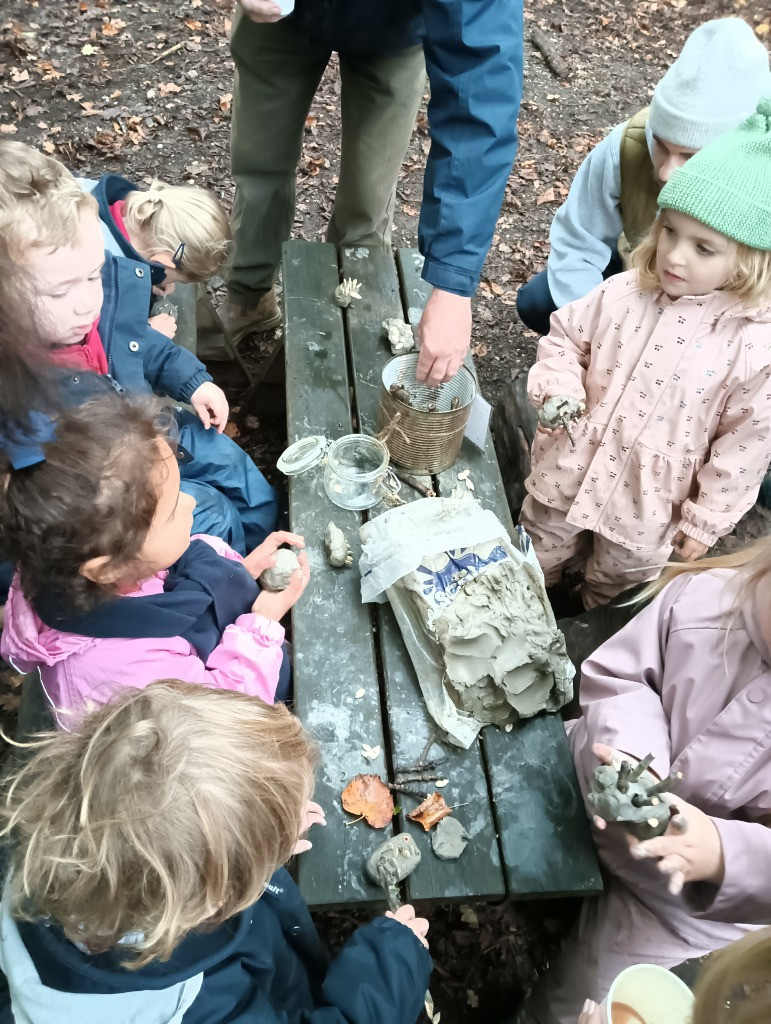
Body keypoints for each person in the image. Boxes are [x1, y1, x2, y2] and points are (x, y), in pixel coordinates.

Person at [0, 679, 432, 1023]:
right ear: (211, 901)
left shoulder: (54, 856)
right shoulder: (198, 1007)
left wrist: (257, 833)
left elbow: (170, 831)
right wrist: (390, 964)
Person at [519, 99, 771, 608]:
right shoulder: (625, 292)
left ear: (749, 261)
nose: (675, 255)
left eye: (704, 248)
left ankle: (588, 630)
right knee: (536, 550)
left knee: (618, 583)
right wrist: (559, 384)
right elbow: (567, 337)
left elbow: (745, 445)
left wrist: (706, 519)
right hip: (571, 461)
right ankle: (529, 604)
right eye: (670, 231)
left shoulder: (752, 347)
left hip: (648, 503)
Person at [518, 536, 771, 1024]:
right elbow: (625, 676)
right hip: (589, 782)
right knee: (502, 822)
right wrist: (636, 756)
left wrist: (723, 853)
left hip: (675, 903)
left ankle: (538, 1014)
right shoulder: (709, 599)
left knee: (589, 992)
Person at [226, 0, 524, 386]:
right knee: (258, 168)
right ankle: (249, 298)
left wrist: (453, 283)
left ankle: (342, 341)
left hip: (393, 33)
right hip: (279, 18)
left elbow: (482, 98)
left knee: (366, 207)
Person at [0, 141, 278, 553]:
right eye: (59, 293)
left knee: (229, 461)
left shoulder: (83, 313)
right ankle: (228, 580)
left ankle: (259, 553)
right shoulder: (18, 397)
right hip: (107, 495)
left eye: (94, 277)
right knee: (213, 511)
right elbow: (34, 516)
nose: (87, 303)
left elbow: (136, 341)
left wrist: (192, 382)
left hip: (144, 427)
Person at [0, 396, 309, 725]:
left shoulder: (106, 570)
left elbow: (171, 583)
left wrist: (241, 574)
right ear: (109, 567)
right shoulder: (119, 672)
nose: (191, 502)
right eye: (173, 509)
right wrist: (261, 626)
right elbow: (222, 722)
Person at [516, 18, 770, 336]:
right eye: (661, 146)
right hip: (642, 270)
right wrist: (598, 331)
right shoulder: (628, 144)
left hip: (730, 311)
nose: (665, 171)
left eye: (690, 157)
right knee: (539, 303)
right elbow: (579, 241)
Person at [78, 170, 231, 357]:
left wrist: (149, 278)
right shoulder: (101, 268)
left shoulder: (96, 194)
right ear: (160, 261)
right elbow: (91, 339)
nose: (170, 284)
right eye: (179, 279)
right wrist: (146, 335)